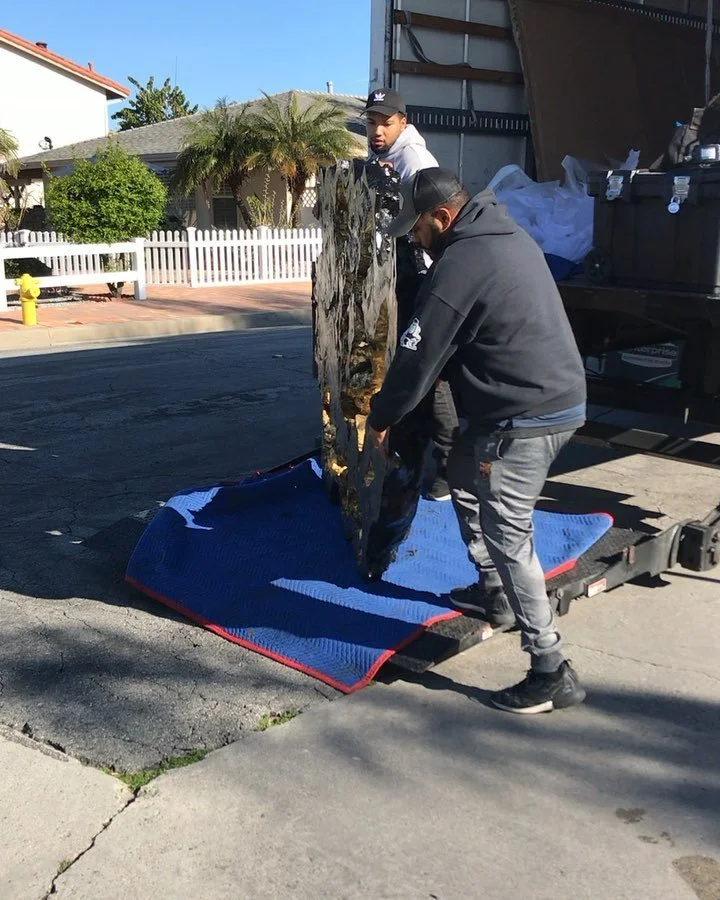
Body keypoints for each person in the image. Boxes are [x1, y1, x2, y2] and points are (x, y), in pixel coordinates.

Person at [366, 167, 588, 715]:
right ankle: (495, 592)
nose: (413, 240)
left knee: (509, 532)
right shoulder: (505, 235)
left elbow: (418, 357)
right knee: (463, 474)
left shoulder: (461, 263)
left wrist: (379, 418)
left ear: (443, 217)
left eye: (416, 229)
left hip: (524, 414)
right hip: (545, 399)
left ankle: (550, 668)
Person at [364, 88, 457, 501]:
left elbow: (417, 223)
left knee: (428, 369)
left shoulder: (413, 160)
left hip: (420, 270)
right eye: (372, 122)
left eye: (386, 122)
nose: (378, 130)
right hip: (396, 272)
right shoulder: (378, 156)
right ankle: (407, 452)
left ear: (403, 121)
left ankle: (450, 470)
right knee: (401, 362)